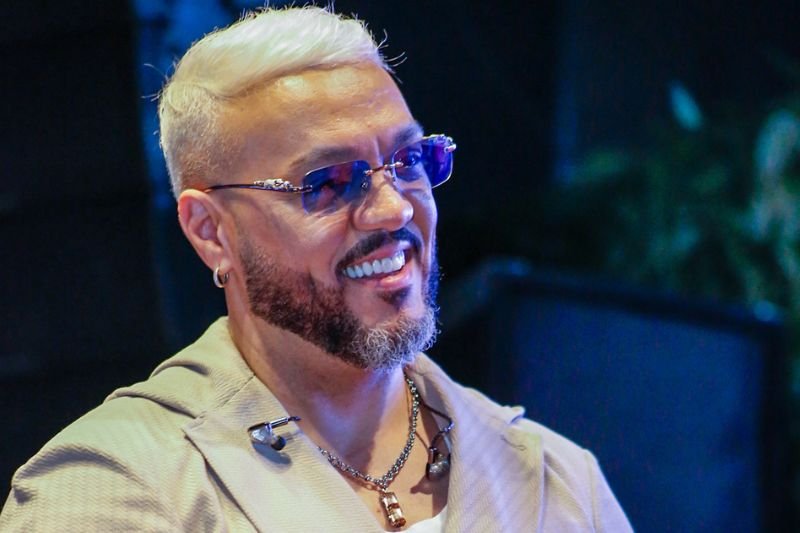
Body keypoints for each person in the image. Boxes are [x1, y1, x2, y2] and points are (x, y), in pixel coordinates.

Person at [0, 6, 631, 532]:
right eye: (329, 183)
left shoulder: (557, 481)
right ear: (211, 231)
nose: (392, 209)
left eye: (409, 161)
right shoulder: (113, 489)